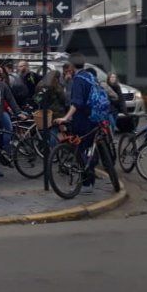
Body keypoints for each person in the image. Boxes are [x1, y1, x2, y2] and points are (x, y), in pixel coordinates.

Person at [55, 54, 98, 193]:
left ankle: (86, 184)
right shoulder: (90, 76)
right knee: (90, 149)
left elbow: (77, 103)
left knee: (80, 149)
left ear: (72, 66)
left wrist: (66, 117)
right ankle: (91, 180)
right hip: (94, 118)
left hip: (82, 120)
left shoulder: (78, 80)